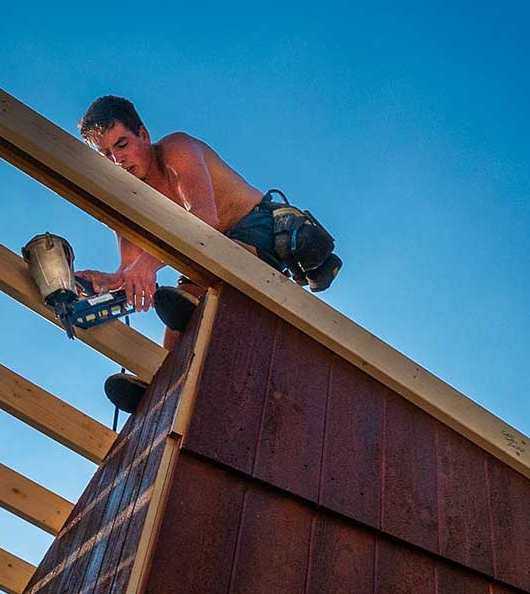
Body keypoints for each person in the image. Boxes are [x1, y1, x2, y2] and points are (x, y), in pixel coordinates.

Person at [74, 95, 342, 413]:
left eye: (122, 145)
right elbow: (131, 272)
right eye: (105, 154)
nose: (118, 161)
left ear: (143, 136)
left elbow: (205, 218)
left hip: (254, 230)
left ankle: (191, 315)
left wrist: (147, 266)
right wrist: (105, 283)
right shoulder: (128, 199)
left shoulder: (176, 148)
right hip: (200, 256)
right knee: (177, 321)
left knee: (190, 296)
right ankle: (157, 384)